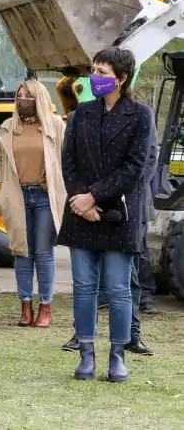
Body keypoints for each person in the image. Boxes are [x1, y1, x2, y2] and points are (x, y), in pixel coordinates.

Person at [56, 47, 153, 383]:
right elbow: (68, 161)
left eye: (101, 71)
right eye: (94, 69)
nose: (94, 76)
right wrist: (81, 200)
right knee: (83, 287)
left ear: (121, 78)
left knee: (118, 288)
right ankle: (85, 352)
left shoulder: (140, 115)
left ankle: (117, 356)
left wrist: (94, 196)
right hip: (81, 212)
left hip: (118, 213)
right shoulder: (81, 114)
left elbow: (135, 167)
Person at [0, 79, 67, 328]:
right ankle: (25, 306)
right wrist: (1, 191)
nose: (21, 99)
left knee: (43, 253)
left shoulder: (56, 127)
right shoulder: (7, 128)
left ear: (40, 99)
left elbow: (66, 161)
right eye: (19, 95)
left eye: (27, 96)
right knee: (21, 252)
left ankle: (45, 306)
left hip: (44, 196)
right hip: (17, 195)